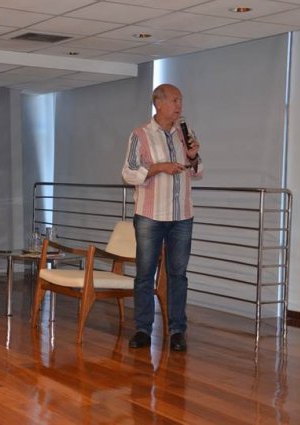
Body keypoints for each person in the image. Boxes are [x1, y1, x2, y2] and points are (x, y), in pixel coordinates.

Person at [121, 84, 203, 351]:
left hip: (182, 215)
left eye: (181, 100)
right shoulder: (140, 135)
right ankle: (143, 329)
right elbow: (129, 173)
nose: (180, 106)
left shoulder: (185, 133)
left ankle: (178, 331)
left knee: (178, 274)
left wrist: (193, 156)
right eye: (175, 100)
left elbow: (197, 171)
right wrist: (158, 168)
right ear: (159, 103)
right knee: (145, 273)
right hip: (150, 216)